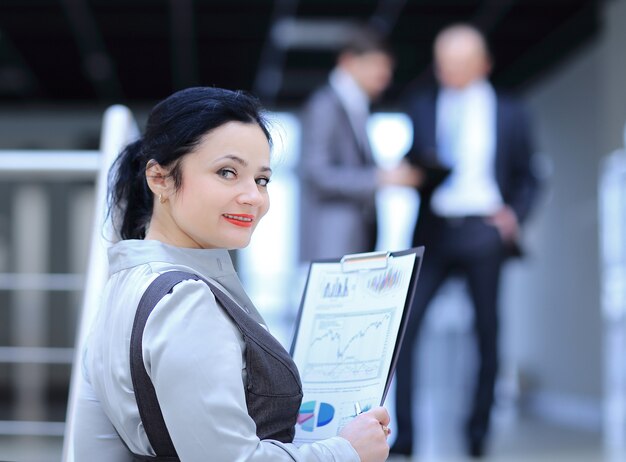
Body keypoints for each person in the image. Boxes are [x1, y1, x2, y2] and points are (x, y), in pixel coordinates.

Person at [72, 87, 391, 461]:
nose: (253, 197)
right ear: (159, 178)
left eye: (261, 180)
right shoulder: (186, 303)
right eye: (227, 172)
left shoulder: (123, 286)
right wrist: (347, 451)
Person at [391, 24, 540, 458]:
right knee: (406, 332)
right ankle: (406, 437)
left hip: (484, 231)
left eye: (459, 64)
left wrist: (514, 216)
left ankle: (477, 432)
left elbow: (530, 176)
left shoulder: (511, 110)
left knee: (487, 334)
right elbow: (413, 159)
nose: (448, 72)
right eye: (443, 64)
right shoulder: (421, 104)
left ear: (483, 64)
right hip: (434, 229)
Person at [298, 26, 420, 262]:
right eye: (377, 65)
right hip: (331, 242)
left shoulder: (356, 106)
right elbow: (317, 174)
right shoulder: (325, 105)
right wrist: (380, 178)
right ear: (349, 62)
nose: (385, 77)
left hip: (354, 239)